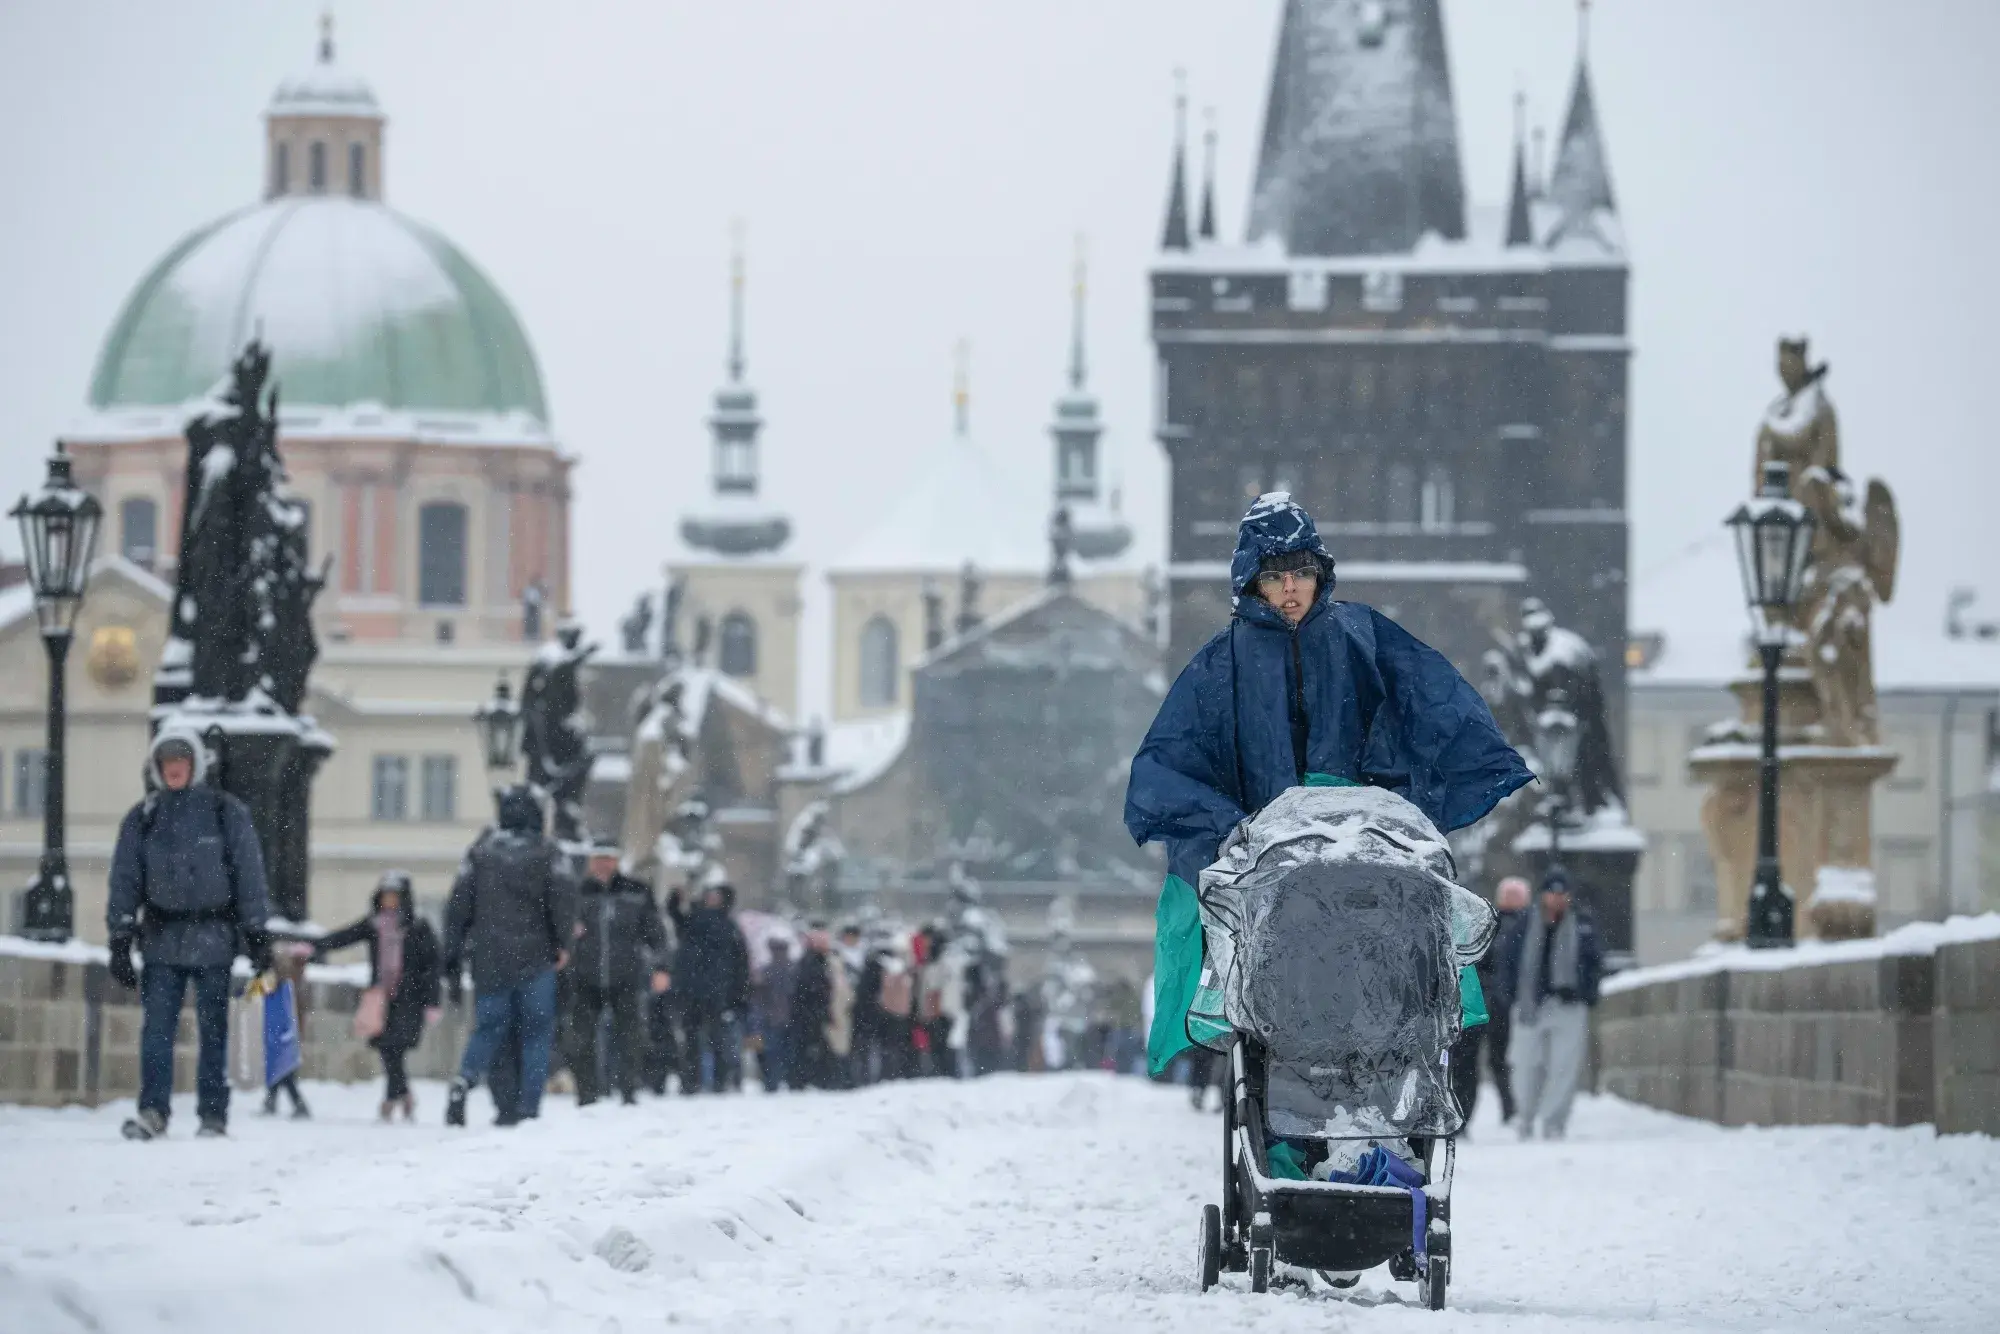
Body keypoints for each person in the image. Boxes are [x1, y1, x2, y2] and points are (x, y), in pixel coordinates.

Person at [1123, 492, 1531, 1077]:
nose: (1291, 588)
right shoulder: (1220, 666)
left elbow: (1428, 703)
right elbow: (1171, 765)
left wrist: (1400, 798)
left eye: (1302, 573)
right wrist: (1228, 824)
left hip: (1356, 850)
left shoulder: (1360, 638)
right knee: (1285, 987)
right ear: (1252, 582)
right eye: (1275, 575)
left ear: (1319, 574)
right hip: (1268, 866)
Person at [108, 729, 272, 1140]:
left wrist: (256, 933)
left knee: (213, 1029)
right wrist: (119, 937)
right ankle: (153, 1109)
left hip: (214, 940)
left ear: (196, 764)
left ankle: (213, 1114)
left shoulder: (225, 813)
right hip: (162, 940)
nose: (174, 767)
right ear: (157, 768)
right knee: (157, 1030)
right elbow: (125, 878)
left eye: (181, 759)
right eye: (166, 761)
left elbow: (248, 873)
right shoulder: (143, 818)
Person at [442, 785, 576, 1127]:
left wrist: (453, 952)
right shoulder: (548, 852)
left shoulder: (481, 851)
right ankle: (528, 1107)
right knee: (535, 1033)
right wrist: (563, 943)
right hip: (536, 956)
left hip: (490, 956)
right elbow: (562, 899)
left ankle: (465, 1080)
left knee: (488, 1029)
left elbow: (458, 905)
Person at [312, 870, 443, 1121]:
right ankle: (401, 1095)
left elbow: (432, 966)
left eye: (394, 896)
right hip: (381, 998)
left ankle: (391, 1098)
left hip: (409, 997)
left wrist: (432, 1001)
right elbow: (344, 937)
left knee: (396, 1046)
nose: (389, 901)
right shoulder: (373, 925)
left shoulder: (418, 927)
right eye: (385, 896)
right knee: (386, 1048)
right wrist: (314, 946)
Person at [1495, 868, 1603, 1140]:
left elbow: (1594, 962)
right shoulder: (1524, 924)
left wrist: (1587, 992)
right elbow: (1507, 962)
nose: (1556, 899)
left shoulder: (1581, 924)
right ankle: (1526, 1115)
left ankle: (1554, 1121)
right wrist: (1510, 996)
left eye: (1561, 893)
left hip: (1568, 1003)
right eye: (1552, 893)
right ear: (1542, 895)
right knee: (1524, 1065)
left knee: (1564, 1067)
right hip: (1530, 1004)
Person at [564, 842, 669, 1106]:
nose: (604, 864)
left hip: (627, 975)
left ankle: (628, 1089)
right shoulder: (576, 892)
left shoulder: (636, 891)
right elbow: (559, 929)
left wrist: (661, 967)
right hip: (584, 976)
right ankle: (587, 1093)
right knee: (581, 1037)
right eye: (599, 858)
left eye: (609, 859)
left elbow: (655, 932)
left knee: (632, 1036)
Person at [670, 883, 750, 1093]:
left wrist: (737, 993)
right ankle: (691, 1081)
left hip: (717, 992)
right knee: (692, 1039)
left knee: (718, 1039)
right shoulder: (693, 920)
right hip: (692, 990)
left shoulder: (729, 926)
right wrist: (675, 899)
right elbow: (675, 917)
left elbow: (740, 964)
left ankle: (718, 1081)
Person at [1485, 875, 1532, 1124]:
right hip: (1507, 1001)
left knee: (1484, 1060)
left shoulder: (1489, 924)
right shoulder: (1527, 927)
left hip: (1489, 999)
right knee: (1502, 1059)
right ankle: (1509, 1107)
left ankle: (1507, 1107)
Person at [752, 936, 798, 1092]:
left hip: (774, 1019)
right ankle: (785, 1082)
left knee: (773, 1054)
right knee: (781, 1053)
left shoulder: (766, 971)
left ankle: (773, 1082)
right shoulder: (792, 969)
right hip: (782, 1018)